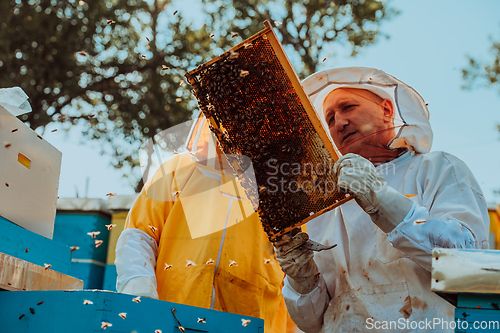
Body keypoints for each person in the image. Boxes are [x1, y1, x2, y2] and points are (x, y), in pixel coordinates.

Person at [275, 67, 490, 332]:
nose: (339, 123)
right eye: (329, 119)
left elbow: (471, 272)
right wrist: (302, 280)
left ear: (387, 110)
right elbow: (311, 322)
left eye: (348, 107)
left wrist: (382, 200)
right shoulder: (325, 208)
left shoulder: (438, 168)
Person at [115, 115, 299, 333]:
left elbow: (296, 276)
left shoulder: (281, 191)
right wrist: (141, 293)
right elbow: (139, 235)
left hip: (253, 323)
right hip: (172, 319)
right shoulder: (177, 170)